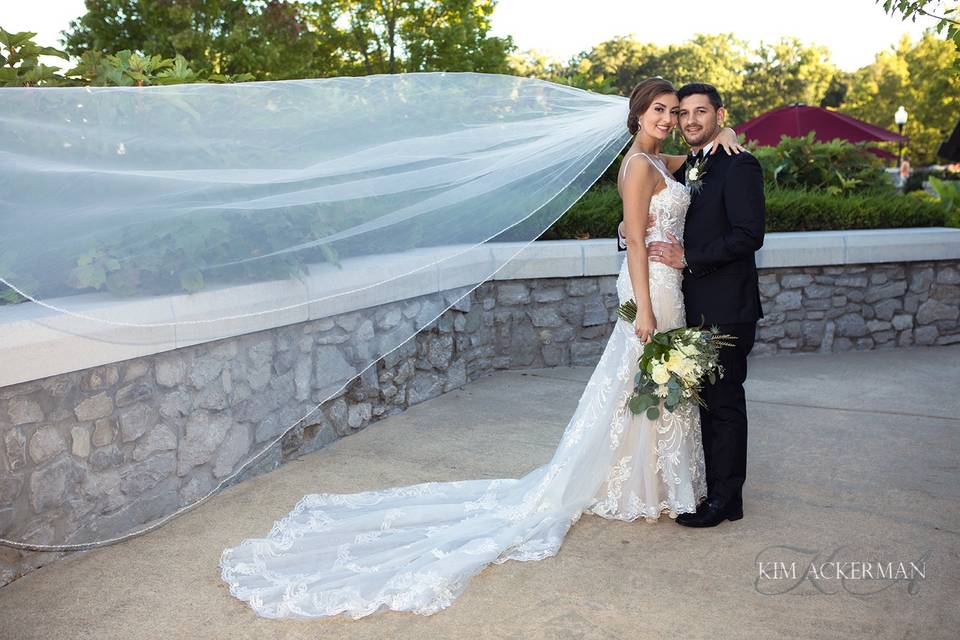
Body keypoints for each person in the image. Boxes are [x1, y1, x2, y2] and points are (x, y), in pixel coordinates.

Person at [219, 78, 746, 620]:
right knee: (641, 377)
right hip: (650, 287)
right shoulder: (638, 165)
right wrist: (645, 307)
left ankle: (655, 480)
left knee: (656, 384)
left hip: (670, 281)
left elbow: (701, 153)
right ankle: (631, 484)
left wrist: (727, 128)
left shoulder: (665, 161)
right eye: (658, 110)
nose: (668, 118)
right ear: (636, 116)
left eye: (674, 111)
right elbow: (635, 239)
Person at [645, 82, 766, 528]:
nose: (691, 120)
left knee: (725, 402)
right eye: (684, 113)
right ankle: (711, 490)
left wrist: (689, 258)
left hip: (728, 307)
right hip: (689, 305)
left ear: (719, 114)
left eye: (702, 112)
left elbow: (749, 235)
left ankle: (725, 502)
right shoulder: (686, 167)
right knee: (704, 404)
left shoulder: (740, 166)